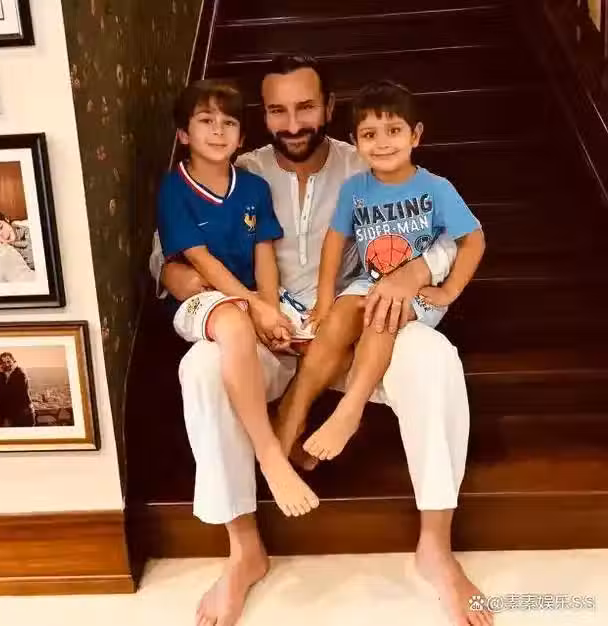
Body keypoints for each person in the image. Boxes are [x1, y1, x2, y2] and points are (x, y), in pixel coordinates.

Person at [151, 56, 493, 626]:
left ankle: (435, 545)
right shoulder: (239, 170)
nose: (293, 124)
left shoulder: (368, 157)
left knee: (435, 358)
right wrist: (182, 278)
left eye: (306, 107)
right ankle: (244, 549)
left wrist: (415, 272)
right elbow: (168, 254)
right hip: (269, 332)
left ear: (329, 108)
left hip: (358, 328)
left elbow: (441, 232)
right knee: (202, 368)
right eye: (278, 111)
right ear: (262, 116)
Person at [283, 81, 485, 465]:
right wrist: (325, 301)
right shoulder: (355, 189)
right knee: (339, 318)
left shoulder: (436, 188)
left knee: (382, 314)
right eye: (369, 134)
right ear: (355, 142)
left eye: (394, 130)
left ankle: (350, 409)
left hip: (414, 293)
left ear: (415, 135)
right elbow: (334, 241)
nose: (383, 143)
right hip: (368, 279)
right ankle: (293, 419)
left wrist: (450, 292)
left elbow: (473, 240)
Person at [157, 79, 320, 518]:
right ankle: (269, 454)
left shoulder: (253, 187)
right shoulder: (174, 189)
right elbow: (199, 259)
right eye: (205, 121)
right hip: (203, 301)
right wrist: (253, 306)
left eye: (228, 123)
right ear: (183, 134)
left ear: (242, 137)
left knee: (312, 338)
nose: (218, 130)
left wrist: (269, 309)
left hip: (254, 298)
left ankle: (301, 429)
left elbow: (265, 254)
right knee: (231, 322)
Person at [0, 352, 36, 427]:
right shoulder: (10, 373)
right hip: (19, 413)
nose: (7, 364)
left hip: (23, 415)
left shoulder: (20, 373)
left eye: (8, 361)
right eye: (4, 362)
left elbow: (13, 395)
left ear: (14, 361)